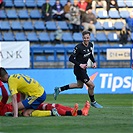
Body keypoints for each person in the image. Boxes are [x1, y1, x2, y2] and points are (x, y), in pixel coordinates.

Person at [54, 30, 103, 108]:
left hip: (83, 69)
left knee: (79, 85)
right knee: (92, 86)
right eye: (84, 38)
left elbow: (90, 54)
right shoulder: (78, 47)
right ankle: (93, 102)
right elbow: (71, 58)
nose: (86, 39)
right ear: (82, 38)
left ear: (90, 37)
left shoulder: (90, 45)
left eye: (87, 38)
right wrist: (80, 64)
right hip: (78, 69)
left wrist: (94, 62)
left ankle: (59, 89)